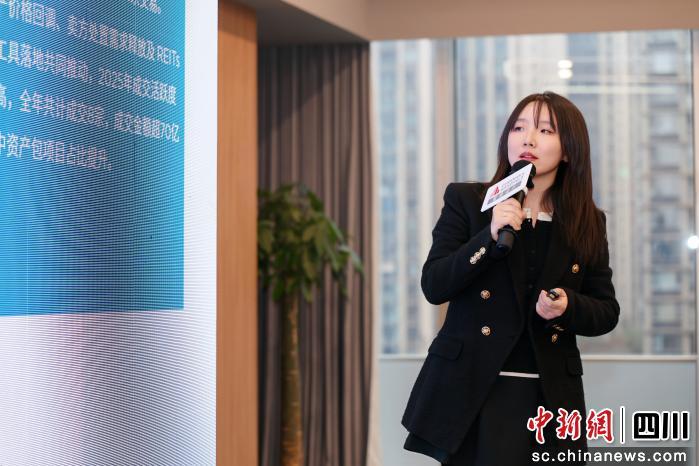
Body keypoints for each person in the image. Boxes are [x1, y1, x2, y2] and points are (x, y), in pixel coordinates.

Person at [401, 91, 620, 465]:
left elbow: (606, 311)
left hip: (548, 397)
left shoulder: (587, 222)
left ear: (568, 151)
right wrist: (487, 237)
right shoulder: (468, 201)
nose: (528, 139)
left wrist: (568, 306)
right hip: (473, 391)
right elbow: (434, 285)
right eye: (519, 128)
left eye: (545, 130)